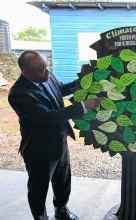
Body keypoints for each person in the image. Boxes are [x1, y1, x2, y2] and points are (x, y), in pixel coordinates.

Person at [8, 50, 104, 220]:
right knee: (39, 188)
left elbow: (61, 89)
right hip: (40, 149)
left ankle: (62, 210)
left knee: (63, 180)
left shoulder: (46, 76)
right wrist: (83, 106)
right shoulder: (18, 94)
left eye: (47, 67)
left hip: (60, 141)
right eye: (42, 70)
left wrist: (85, 80)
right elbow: (48, 116)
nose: (47, 72)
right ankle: (40, 217)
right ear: (26, 72)